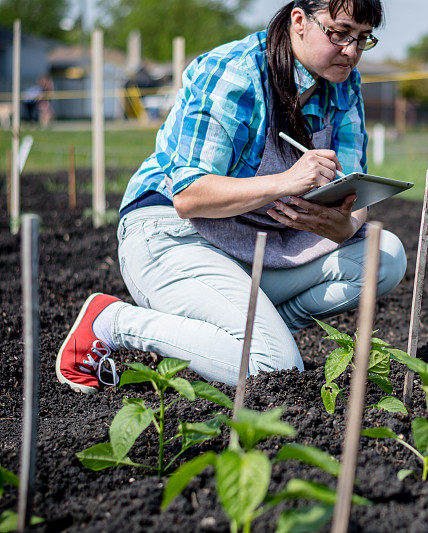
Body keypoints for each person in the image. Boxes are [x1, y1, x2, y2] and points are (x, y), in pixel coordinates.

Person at [56, 0, 406, 394]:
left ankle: (256, 332)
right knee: (275, 367)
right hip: (174, 234)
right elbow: (190, 196)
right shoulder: (235, 72)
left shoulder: (343, 87)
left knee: (385, 255)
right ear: (299, 21)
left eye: (362, 39)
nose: (351, 51)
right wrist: (286, 181)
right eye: (339, 33)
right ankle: (112, 321)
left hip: (256, 244)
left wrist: (344, 224)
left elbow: (354, 193)